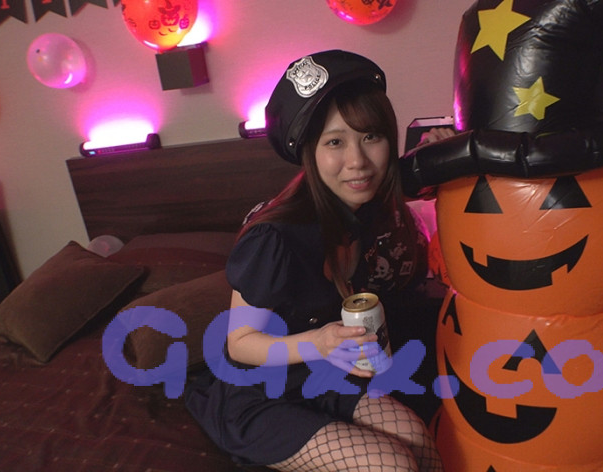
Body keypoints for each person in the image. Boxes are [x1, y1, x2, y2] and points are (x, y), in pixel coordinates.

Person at [183, 50, 444, 472]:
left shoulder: (364, 208)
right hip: (257, 390)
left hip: (319, 375)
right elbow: (240, 343)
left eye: (371, 137)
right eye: (335, 142)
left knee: (418, 438)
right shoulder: (275, 238)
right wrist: (318, 342)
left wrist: (442, 153)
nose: (358, 161)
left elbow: (410, 179)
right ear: (311, 152)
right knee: (393, 465)